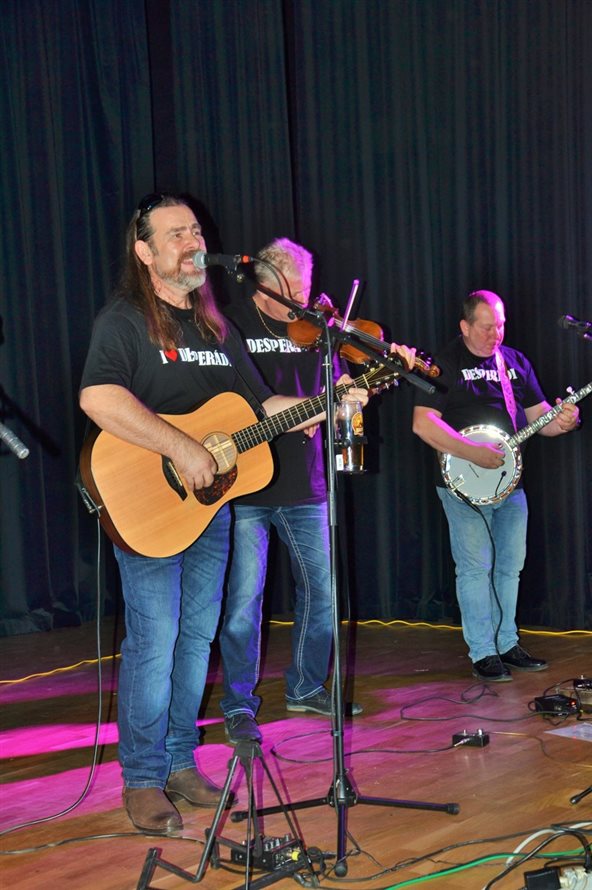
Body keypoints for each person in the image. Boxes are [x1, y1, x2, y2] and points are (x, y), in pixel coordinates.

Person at [78, 196, 363, 835]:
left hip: (210, 510)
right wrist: (181, 447)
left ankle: (181, 761)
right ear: (145, 252)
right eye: (175, 233)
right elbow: (99, 397)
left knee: (196, 639)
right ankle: (143, 777)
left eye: (195, 230)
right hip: (147, 501)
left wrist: (331, 399)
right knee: (155, 641)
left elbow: (262, 410)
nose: (192, 241)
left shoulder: (215, 328)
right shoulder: (125, 319)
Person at [219, 238, 415, 744]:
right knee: (243, 601)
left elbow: (341, 397)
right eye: (293, 292)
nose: (303, 303)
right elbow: (231, 399)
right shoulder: (229, 325)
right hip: (244, 481)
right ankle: (238, 703)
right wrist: (298, 409)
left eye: (306, 292)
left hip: (305, 480)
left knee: (322, 594)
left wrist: (355, 396)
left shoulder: (320, 332)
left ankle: (306, 687)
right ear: (263, 283)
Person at [412, 290, 580, 682]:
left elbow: (541, 419)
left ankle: (506, 643)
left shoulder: (515, 362)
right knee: (475, 568)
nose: (495, 335)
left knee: (509, 568)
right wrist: (471, 451)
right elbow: (423, 423)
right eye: (487, 328)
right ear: (465, 326)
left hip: (509, 482)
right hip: (462, 485)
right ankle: (483, 652)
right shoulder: (444, 363)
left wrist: (564, 420)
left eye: (500, 326)